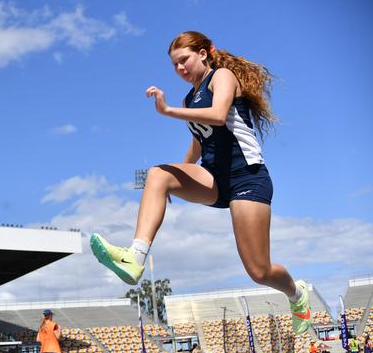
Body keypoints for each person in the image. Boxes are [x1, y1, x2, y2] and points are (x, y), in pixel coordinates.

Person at [90, 30, 312, 334]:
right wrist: (174, 179)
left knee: (259, 271)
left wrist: (167, 111)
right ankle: (135, 257)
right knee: (157, 174)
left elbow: (219, 116)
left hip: (247, 177)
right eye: (174, 65)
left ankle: (297, 293)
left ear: (204, 54)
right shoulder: (190, 98)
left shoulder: (222, 76)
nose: (180, 69)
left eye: (184, 60)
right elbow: (199, 143)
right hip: (214, 178)